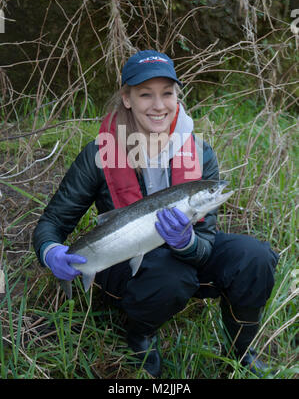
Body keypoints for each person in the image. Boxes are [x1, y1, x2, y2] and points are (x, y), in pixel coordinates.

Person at [33, 50, 279, 378]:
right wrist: (50, 252)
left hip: (187, 256)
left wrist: (187, 241)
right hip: (124, 261)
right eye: (145, 94)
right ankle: (140, 335)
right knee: (170, 275)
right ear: (127, 98)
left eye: (167, 93)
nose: (159, 105)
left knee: (255, 256)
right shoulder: (99, 153)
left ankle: (242, 350)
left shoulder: (200, 152)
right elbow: (51, 223)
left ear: (177, 95)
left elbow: (206, 241)